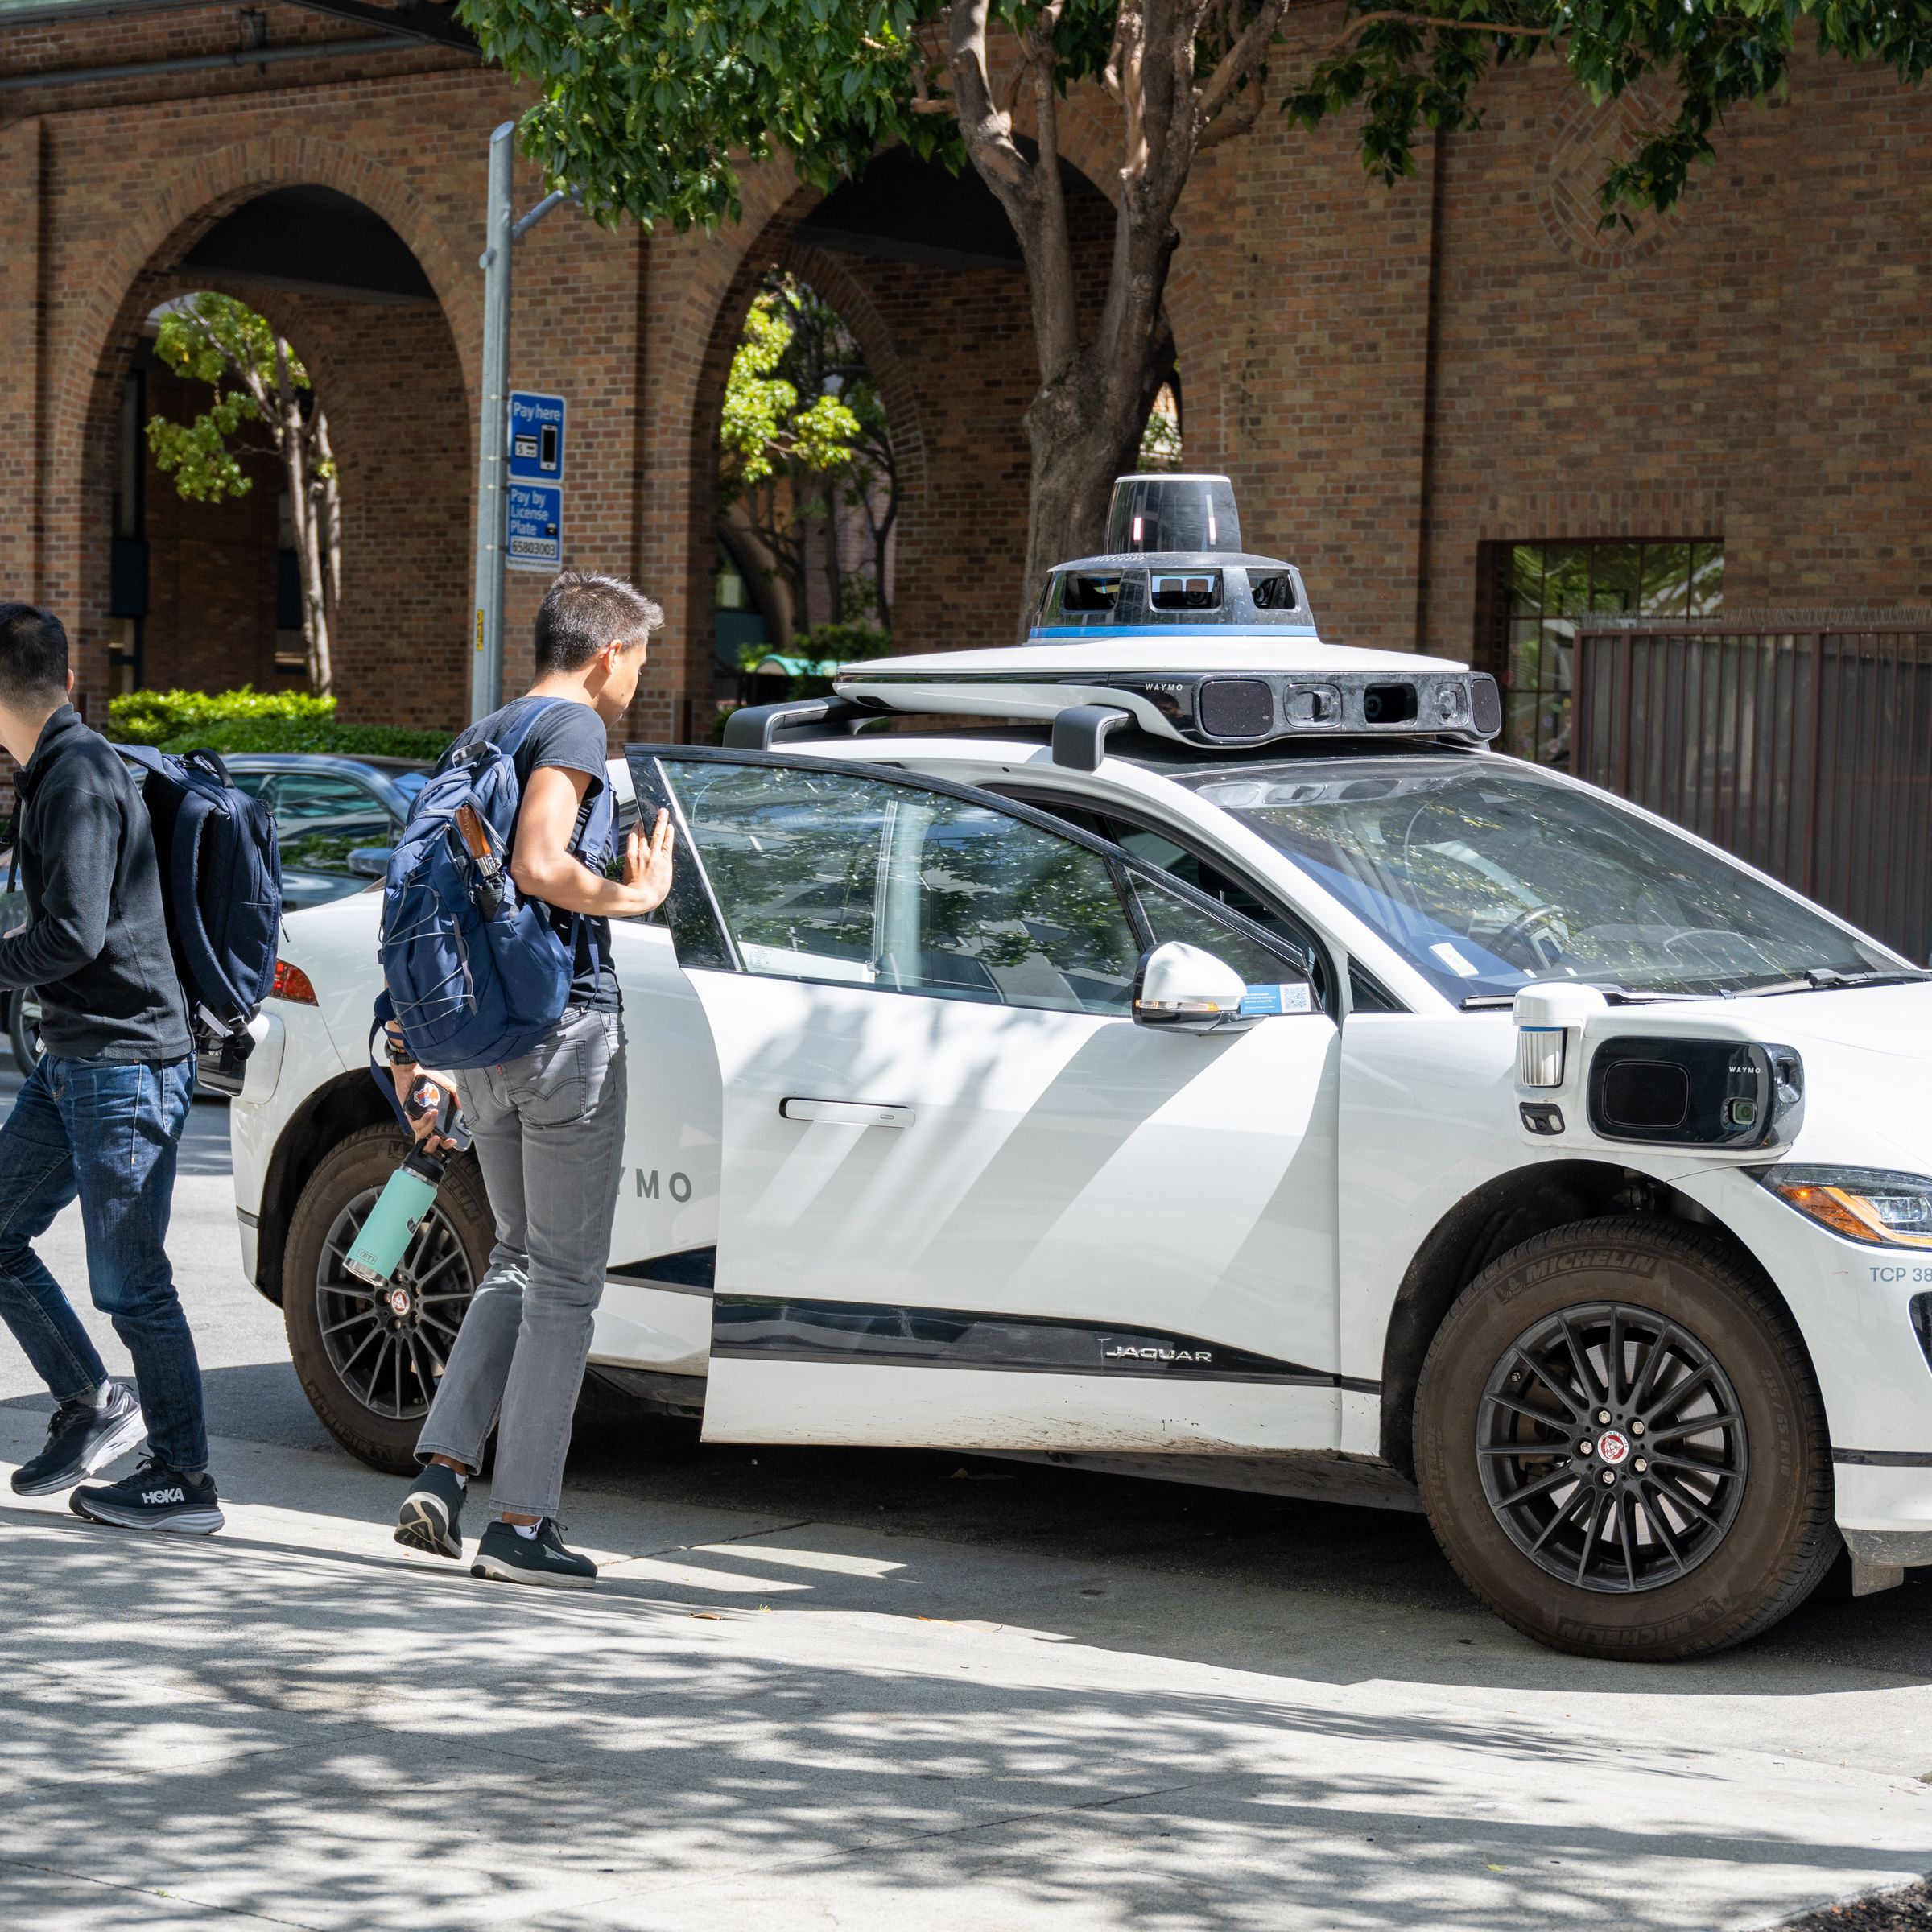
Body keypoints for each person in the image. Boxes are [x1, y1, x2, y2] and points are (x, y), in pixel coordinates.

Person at [390, 571, 673, 1588]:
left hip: (490, 1044)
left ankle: (443, 1473)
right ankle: (522, 1524)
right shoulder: (575, 731)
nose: (642, 675)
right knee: (565, 1283)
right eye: (640, 657)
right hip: (564, 1032)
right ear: (607, 657)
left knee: (515, 1256)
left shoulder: (486, 732)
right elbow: (544, 861)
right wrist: (634, 898)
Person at [0, 604, 219, 1531]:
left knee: (132, 1282)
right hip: (78, 1055)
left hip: (124, 1061)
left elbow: (72, 933)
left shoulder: (77, 778)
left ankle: (183, 1479)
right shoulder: (59, 768)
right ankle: (94, 1402)